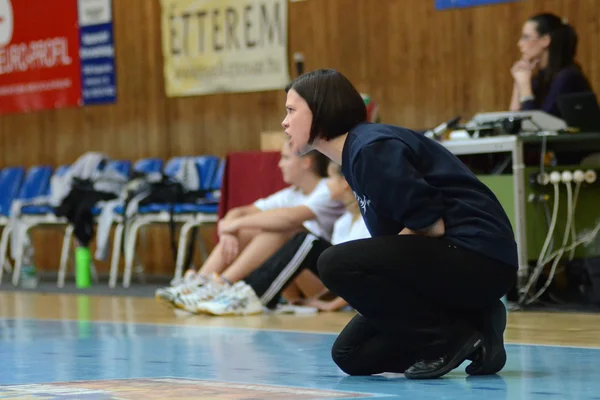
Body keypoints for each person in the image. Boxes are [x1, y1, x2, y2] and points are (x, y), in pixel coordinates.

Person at [282, 69, 517, 380]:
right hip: (452, 263)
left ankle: (447, 340)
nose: (284, 122)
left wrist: (381, 282)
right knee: (351, 355)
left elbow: (431, 226)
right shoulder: (355, 155)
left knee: (336, 263)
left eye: (291, 110)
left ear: (320, 109)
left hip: (478, 257)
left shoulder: (371, 149)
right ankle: (478, 324)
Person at [155, 140, 345, 309]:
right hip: (293, 275)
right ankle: (200, 283)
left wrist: (232, 225)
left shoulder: (328, 189)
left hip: (325, 282)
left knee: (283, 229)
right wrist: (230, 229)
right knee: (250, 228)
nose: (280, 164)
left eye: (286, 158)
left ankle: (222, 284)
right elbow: (238, 212)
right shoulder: (292, 194)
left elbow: (289, 218)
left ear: (306, 162)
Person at [190, 160, 370, 316]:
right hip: (330, 289)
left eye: (330, 179)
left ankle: (247, 293)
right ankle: (203, 285)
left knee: (305, 239)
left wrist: (333, 305)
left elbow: (366, 278)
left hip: (354, 295)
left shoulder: (367, 222)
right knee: (272, 231)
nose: (327, 183)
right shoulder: (343, 222)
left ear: (345, 183)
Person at [509, 13, 592, 118]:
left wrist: (525, 87)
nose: (519, 43)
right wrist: (518, 84)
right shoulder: (538, 79)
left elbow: (541, 124)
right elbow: (514, 121)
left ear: (545, 41)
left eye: (526, 37)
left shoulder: (568, 77)